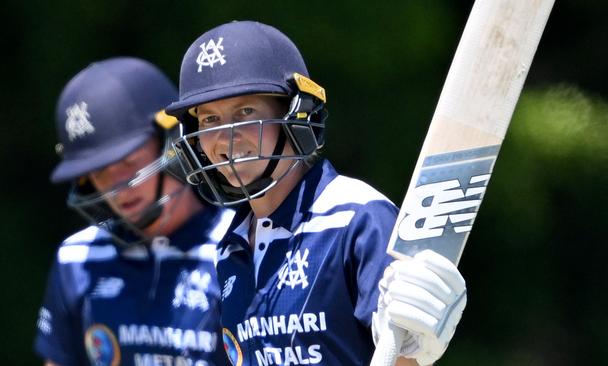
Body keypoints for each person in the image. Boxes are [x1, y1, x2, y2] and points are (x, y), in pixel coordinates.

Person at [166, 21, 467, 366]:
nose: (226, 137)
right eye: (209, 120)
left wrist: (413, 348)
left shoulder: (357, 217)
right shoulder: (229, 246)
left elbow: (400, 353)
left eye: (245, 112)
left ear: (295, 114)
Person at [34, 57, 234, 366]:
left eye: (129, 162)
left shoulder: (241, 245)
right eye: (99, 172)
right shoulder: (77, 259)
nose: (117, 188)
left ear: (172, 142)